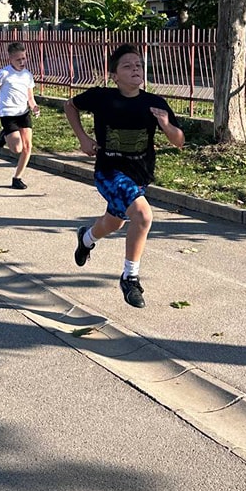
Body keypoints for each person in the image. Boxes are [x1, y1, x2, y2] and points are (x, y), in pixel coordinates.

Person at [64, 43, 185, 308]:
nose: (135, 70)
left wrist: (166, 125)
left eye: (138, 65)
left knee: (114, 223)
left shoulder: (155, 103)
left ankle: (86, 239)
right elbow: (70, 106)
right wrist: (83, 138)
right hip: (108, 173)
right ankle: (130, 278)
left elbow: (179, 141)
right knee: (143, 215)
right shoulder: (101, 97)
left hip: (139, 176)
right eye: (127, 66)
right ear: (114, 75)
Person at [0, 42, 40, 190]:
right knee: (17, 149)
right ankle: (4, 135)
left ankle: (17, 178)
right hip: (8, 114)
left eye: (24, 58)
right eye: (18, 59)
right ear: (10, 59)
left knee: (28, 146)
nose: (22, 62)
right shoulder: (4, 73)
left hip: (23, 113)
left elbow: (30, 98)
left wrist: (34, 107)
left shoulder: (27, 75)